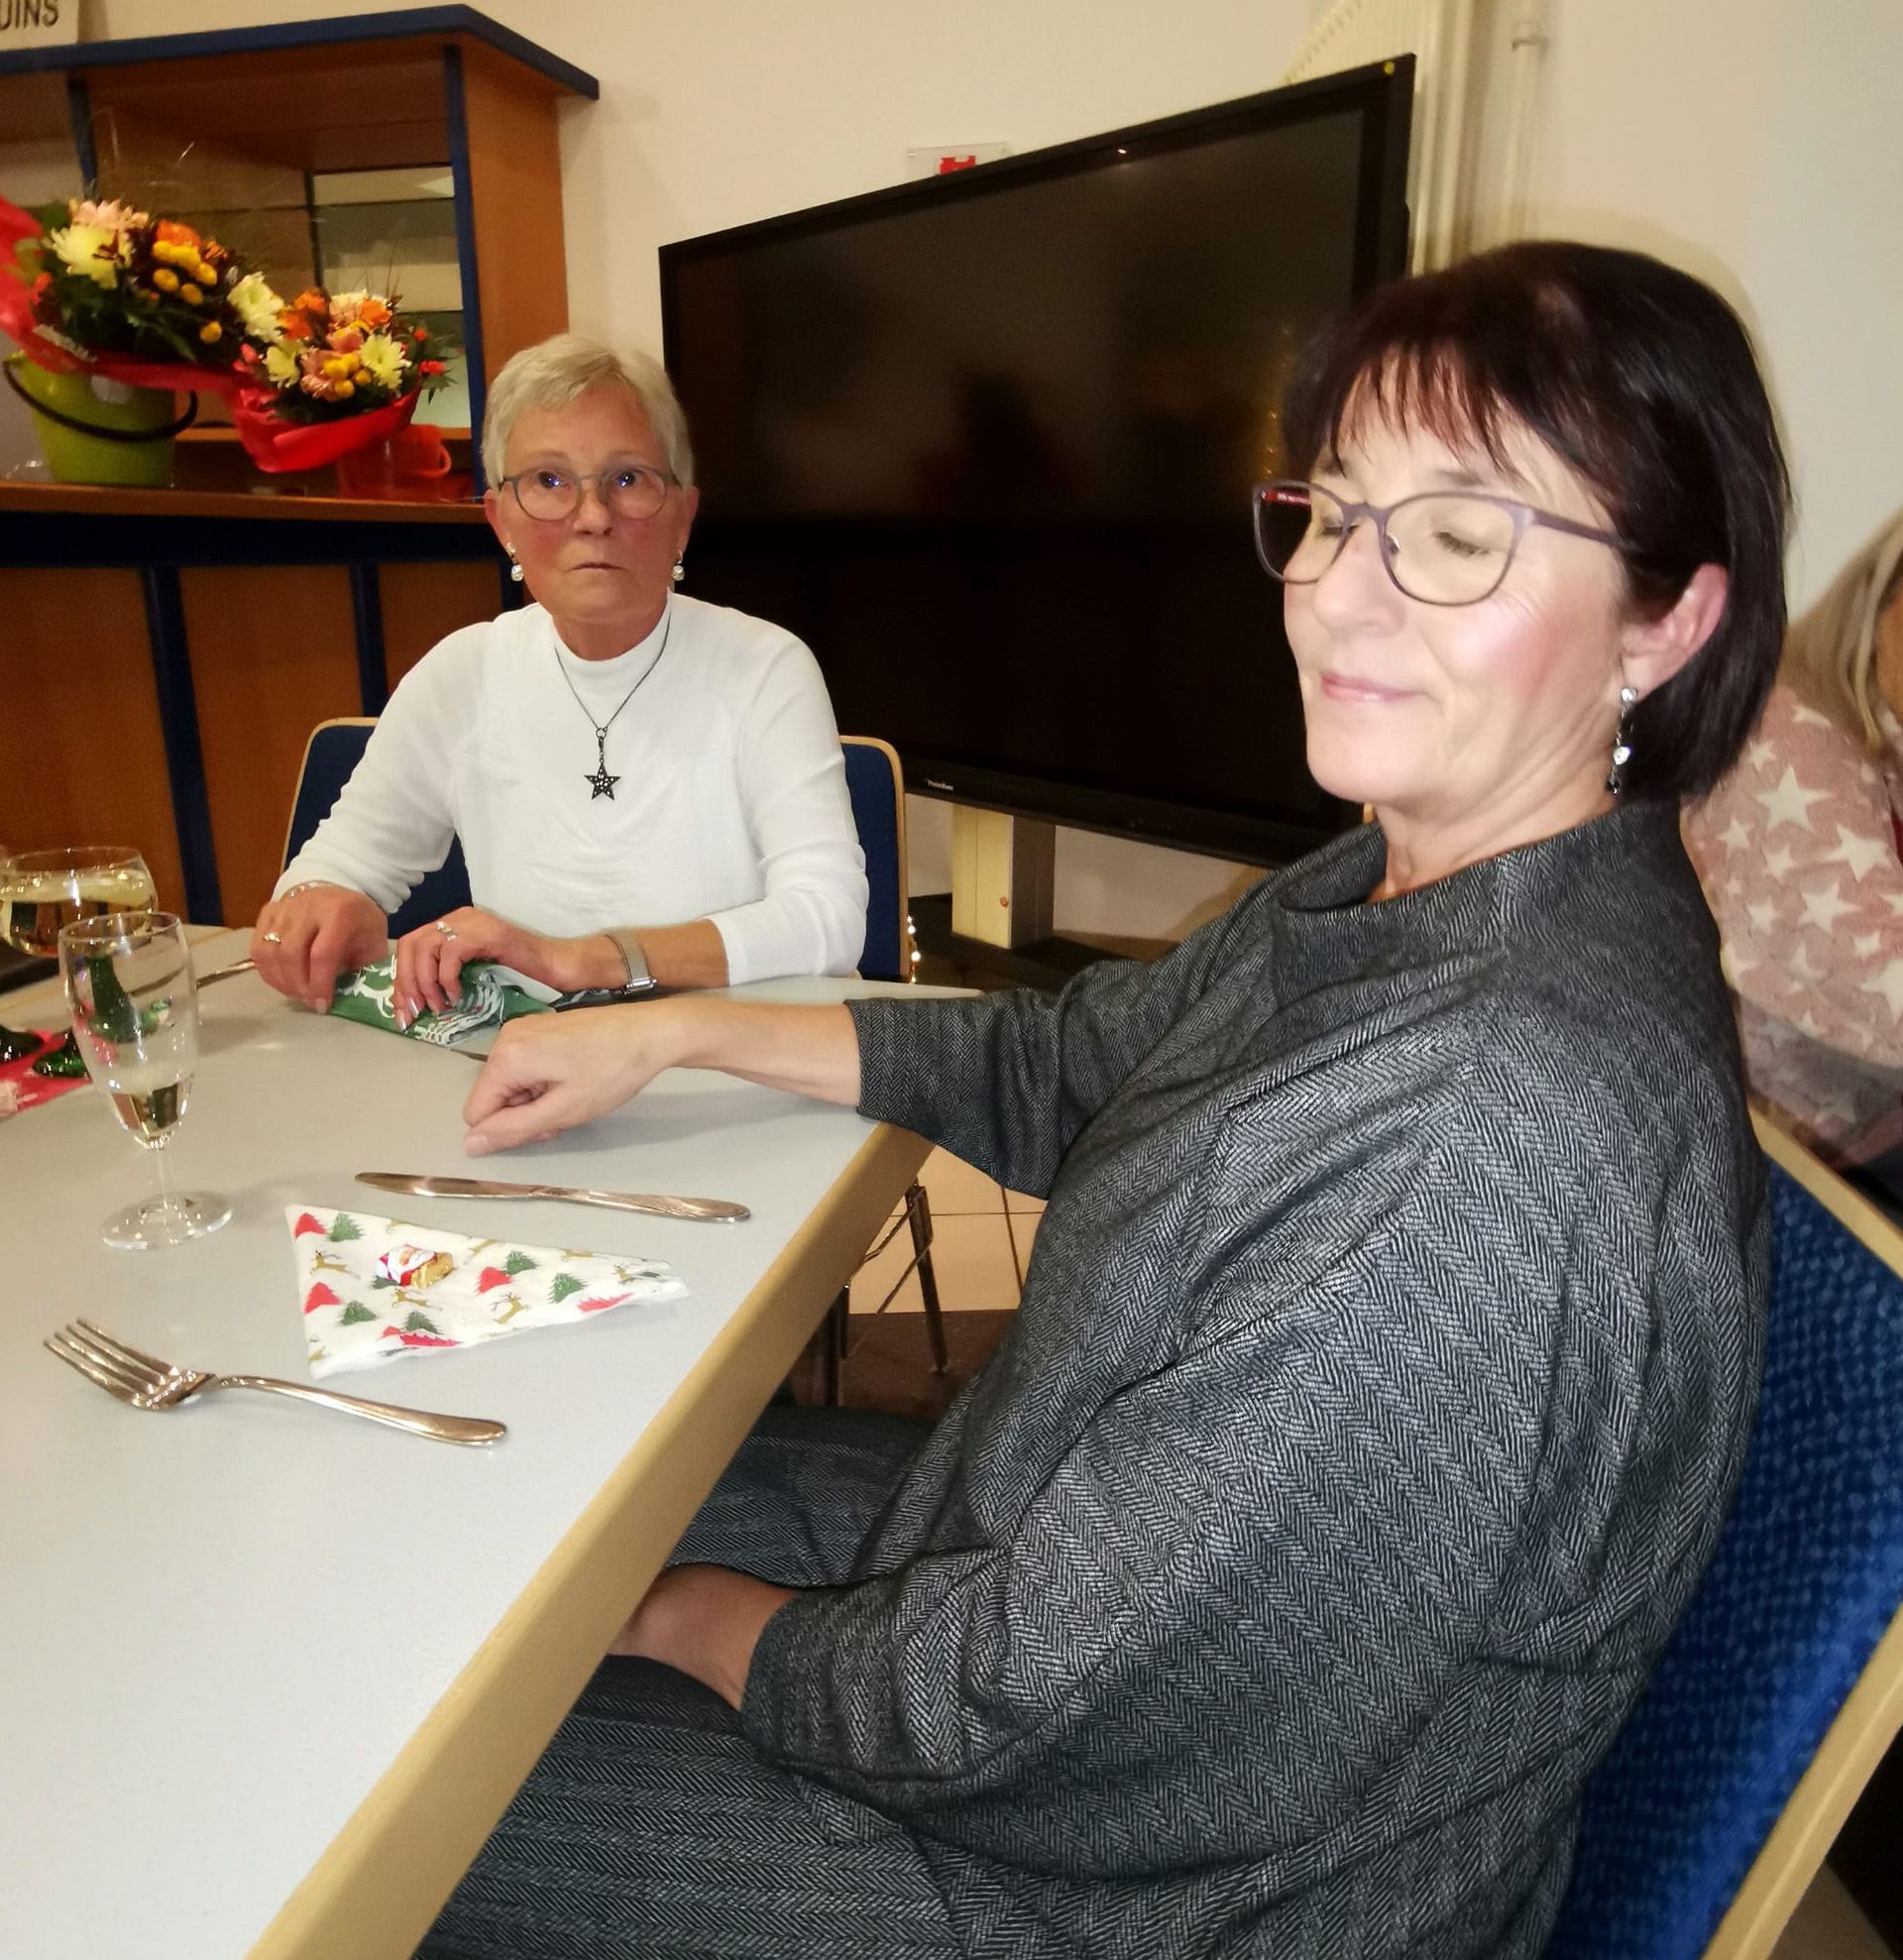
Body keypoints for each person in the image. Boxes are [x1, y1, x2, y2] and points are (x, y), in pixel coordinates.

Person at [420, 241, 1786, 1959]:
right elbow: (1066, 1062)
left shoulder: (1472, 1131)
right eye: (1335, 513)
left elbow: (1032, 1705)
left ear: (1670, 619)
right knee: (506, 1489)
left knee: (372, 1782)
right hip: (1042, 1587)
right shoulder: (1412, 883)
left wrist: (706, 1625)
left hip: (1138, 1893)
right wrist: (676, 1028)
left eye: (1457, 537)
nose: (1337, 596)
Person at [251, 335, 867, 1022]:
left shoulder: (766, 667)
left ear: (683, 518)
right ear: (501, 521)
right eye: (549, 481)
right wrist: (322, 900)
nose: (593, 518)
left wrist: (577, 959)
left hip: (737, 1049)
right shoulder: (462, 673)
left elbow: (828, 917)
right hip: (534, 1057)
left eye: (628, 479)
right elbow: (341, 864)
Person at [1684, 509, 1903, 1186]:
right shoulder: (1790, 733)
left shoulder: (1884, 742)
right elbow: (1884, 985)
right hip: (1751, 1158)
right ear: (1880, 599)